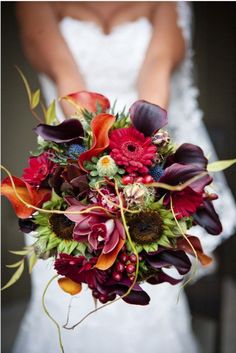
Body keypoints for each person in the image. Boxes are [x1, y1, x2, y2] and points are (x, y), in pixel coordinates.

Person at [13, 2, 236, 353]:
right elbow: (66, 78)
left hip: (145, 151)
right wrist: (94, 173)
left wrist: (138, 175)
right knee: (70, 284)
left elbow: (155, 71)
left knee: (148, 287)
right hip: (74, 155)